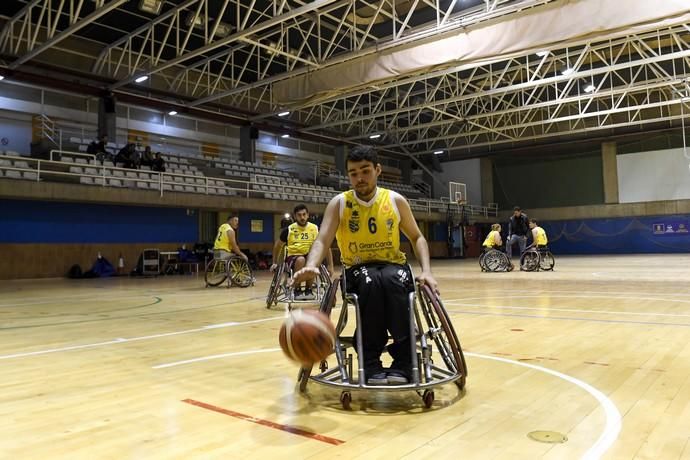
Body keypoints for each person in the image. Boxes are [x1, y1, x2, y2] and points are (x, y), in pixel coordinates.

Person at [293, 146, 438, 385]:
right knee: (371, 284)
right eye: (353, 173)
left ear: (377, 170)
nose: (359, 178)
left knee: (393, 281)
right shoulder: (339, 203)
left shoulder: (394, 200)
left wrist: (427, 272)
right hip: (357, 268)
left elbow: (417, 237)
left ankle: (404, 362)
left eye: (365, 171)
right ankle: (370, 363)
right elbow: (322, 239)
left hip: (393, 265)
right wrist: (311, 265)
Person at [271, 204, 333, 300]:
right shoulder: (289, 229)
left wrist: (330, 265)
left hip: (310, 256)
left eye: (304, 214)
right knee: (301, 260)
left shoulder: (315, 228)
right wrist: (274, 262)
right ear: (295, 216)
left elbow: (326, 245)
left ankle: (309, 289)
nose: (302, 217)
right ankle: (297, 289)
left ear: (308, 215)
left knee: (313, 259)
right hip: (293, 257)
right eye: (299, 215)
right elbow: (277, 246)